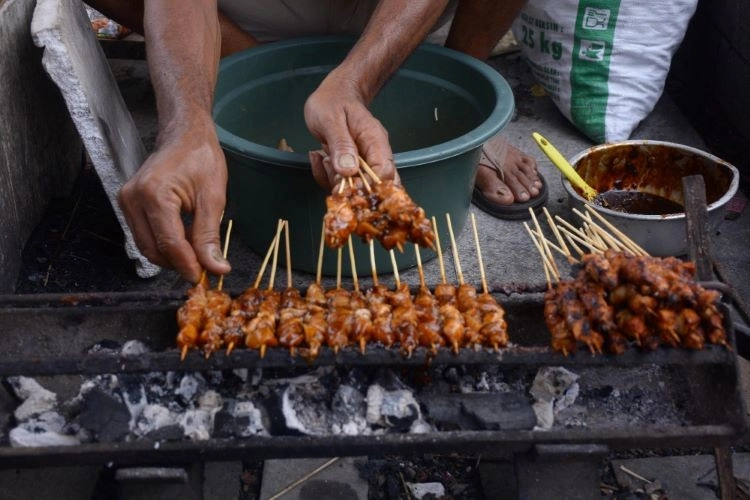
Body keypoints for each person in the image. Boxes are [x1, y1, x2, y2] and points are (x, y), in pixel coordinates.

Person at [87, 0, 544, 283]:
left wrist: (356, 82)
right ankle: (258, 74)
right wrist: (183, 123)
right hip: (249, 16)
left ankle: (454, 97)